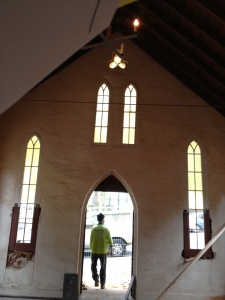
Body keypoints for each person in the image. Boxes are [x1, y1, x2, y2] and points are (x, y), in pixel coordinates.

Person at [90, 213, 113, 289]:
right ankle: (102, 284)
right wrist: (111, 250)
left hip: (94, 250)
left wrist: (92, 248)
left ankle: (95, 277)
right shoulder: (106, 229)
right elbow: (110, 240)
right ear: (103, 219)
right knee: (103, 267)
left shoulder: (94, 229)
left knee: (93, 265)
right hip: (103, 251)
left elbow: (91, 240)